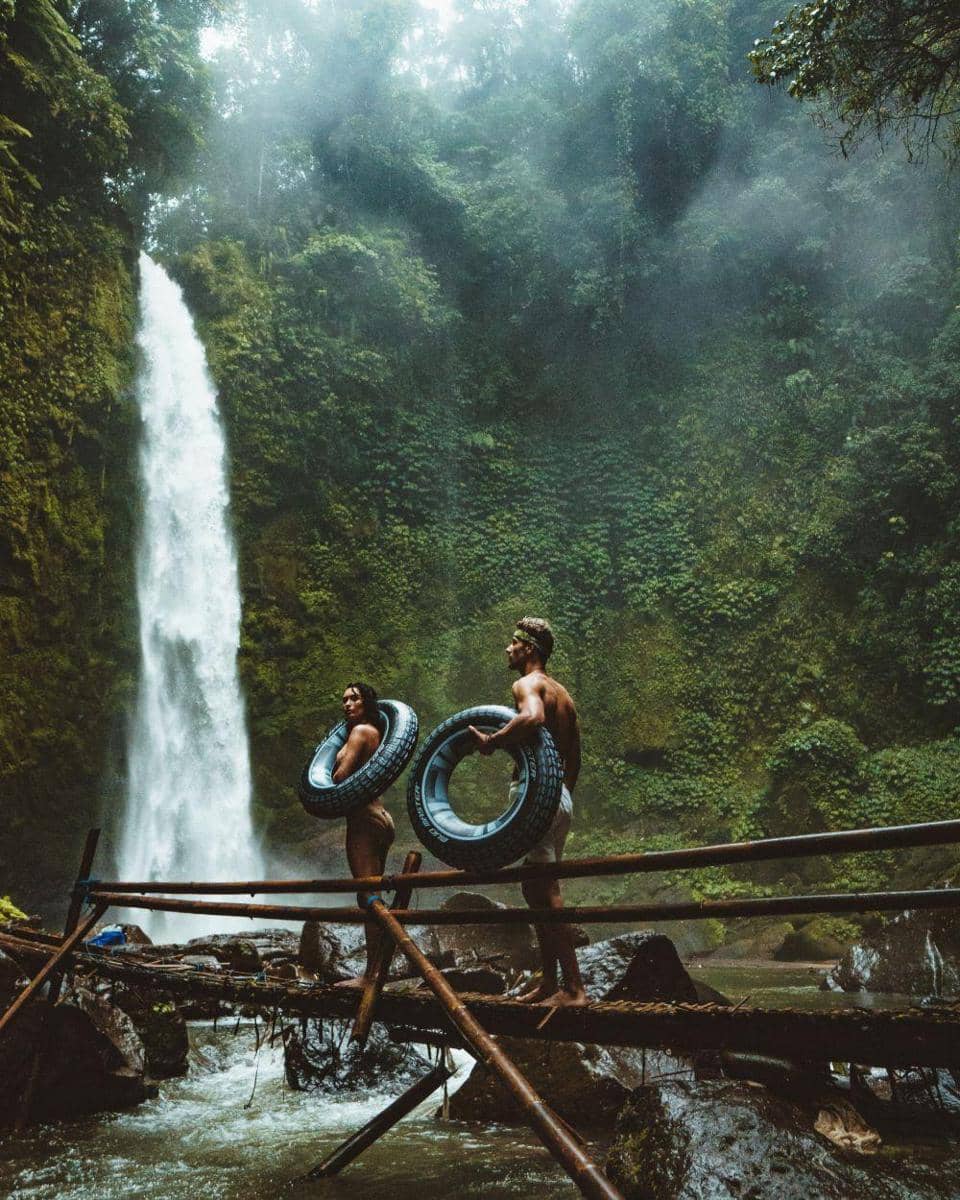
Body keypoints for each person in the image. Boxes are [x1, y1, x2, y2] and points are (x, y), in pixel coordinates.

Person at [468, 617, 587, 1007]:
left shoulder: (527, 684)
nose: (507, 649)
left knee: (545, 888)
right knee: (534, 886)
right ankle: (551, 982)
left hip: (540, 796)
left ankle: (574, 989)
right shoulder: (564, 695)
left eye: (512, 644)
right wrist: (558, 794)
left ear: (529, 649)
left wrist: (493, 740)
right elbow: (574, 757)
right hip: (559, 797)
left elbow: (532, 717)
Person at [332, 681, 395, 989]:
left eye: (353, 699)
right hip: (381, 816)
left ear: (366, 704)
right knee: (374, 894)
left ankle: (372, 975)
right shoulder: (375, 733)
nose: (347, 704)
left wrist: (336, 765)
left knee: (368, 896)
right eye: (344, 699)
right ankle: (379, 968)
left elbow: (341, 777)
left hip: (363, 820)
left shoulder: (359, 733)